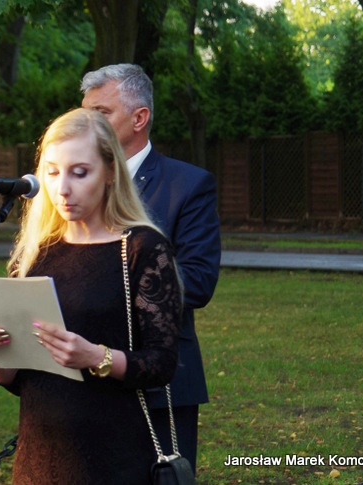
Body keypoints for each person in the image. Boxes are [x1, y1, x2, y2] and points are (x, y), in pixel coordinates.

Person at [0, 108, 183, 484]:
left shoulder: (141, 249)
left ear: (111, 172)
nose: (62, 188)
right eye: (52, 172)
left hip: (114, 458)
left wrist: (95, 357)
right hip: (38, 458)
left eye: (79, 173)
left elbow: (162, 364)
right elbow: (16, 380)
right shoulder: (37, 251)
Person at [81, 63, 221, 474]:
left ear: (139, 118)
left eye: (101, 113)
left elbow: (197, 281)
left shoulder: (188, 185)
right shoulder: (71, 184)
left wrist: (111, 282)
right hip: (78, 377)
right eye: (85, 113)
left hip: (160, 382)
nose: (88, 123)